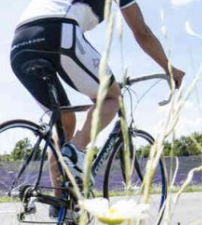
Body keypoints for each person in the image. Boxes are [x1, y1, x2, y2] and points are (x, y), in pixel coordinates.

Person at [10, 0, 185, 199]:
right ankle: (74, 152)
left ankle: (61, 202)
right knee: (112, 97)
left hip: (19, 43)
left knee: (64, 120)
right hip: (58, 30)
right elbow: (142, 33)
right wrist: (168, 68)